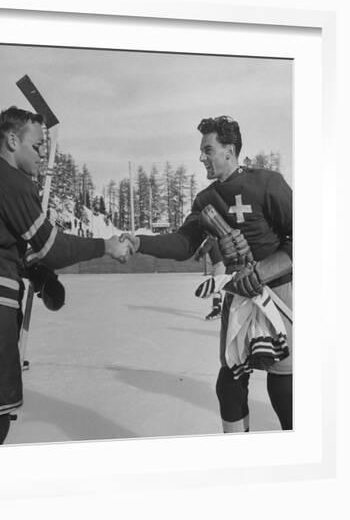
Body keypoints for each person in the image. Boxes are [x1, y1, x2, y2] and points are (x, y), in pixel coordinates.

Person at [0, 106, 133, 446]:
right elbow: (54, 247)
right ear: (12, 140)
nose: (43, 153)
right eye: (37, 144)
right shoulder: (7, 179)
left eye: (45, 145)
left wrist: (37, 272)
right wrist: (105, 245)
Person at [122, 115, 292, 433]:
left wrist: (263, 272)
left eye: (208, 149)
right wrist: (140, 241)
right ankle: (237, 463)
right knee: (229, 384)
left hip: (278, 295)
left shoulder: (269, 183)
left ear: (229, 150)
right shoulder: (206, 200)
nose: (201, 156)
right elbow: (184, 244)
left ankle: (296, 460)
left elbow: (301, 237)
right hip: (238, 296)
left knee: (284, 389)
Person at [193, 236, 225, 321]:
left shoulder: (211, 240)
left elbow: (204, 250)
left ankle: (217, 310)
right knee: (218, 287)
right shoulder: (218, 238)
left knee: (215, 288)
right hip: (221, 264)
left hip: (219, 265)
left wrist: (198, 256)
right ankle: (219, 308)